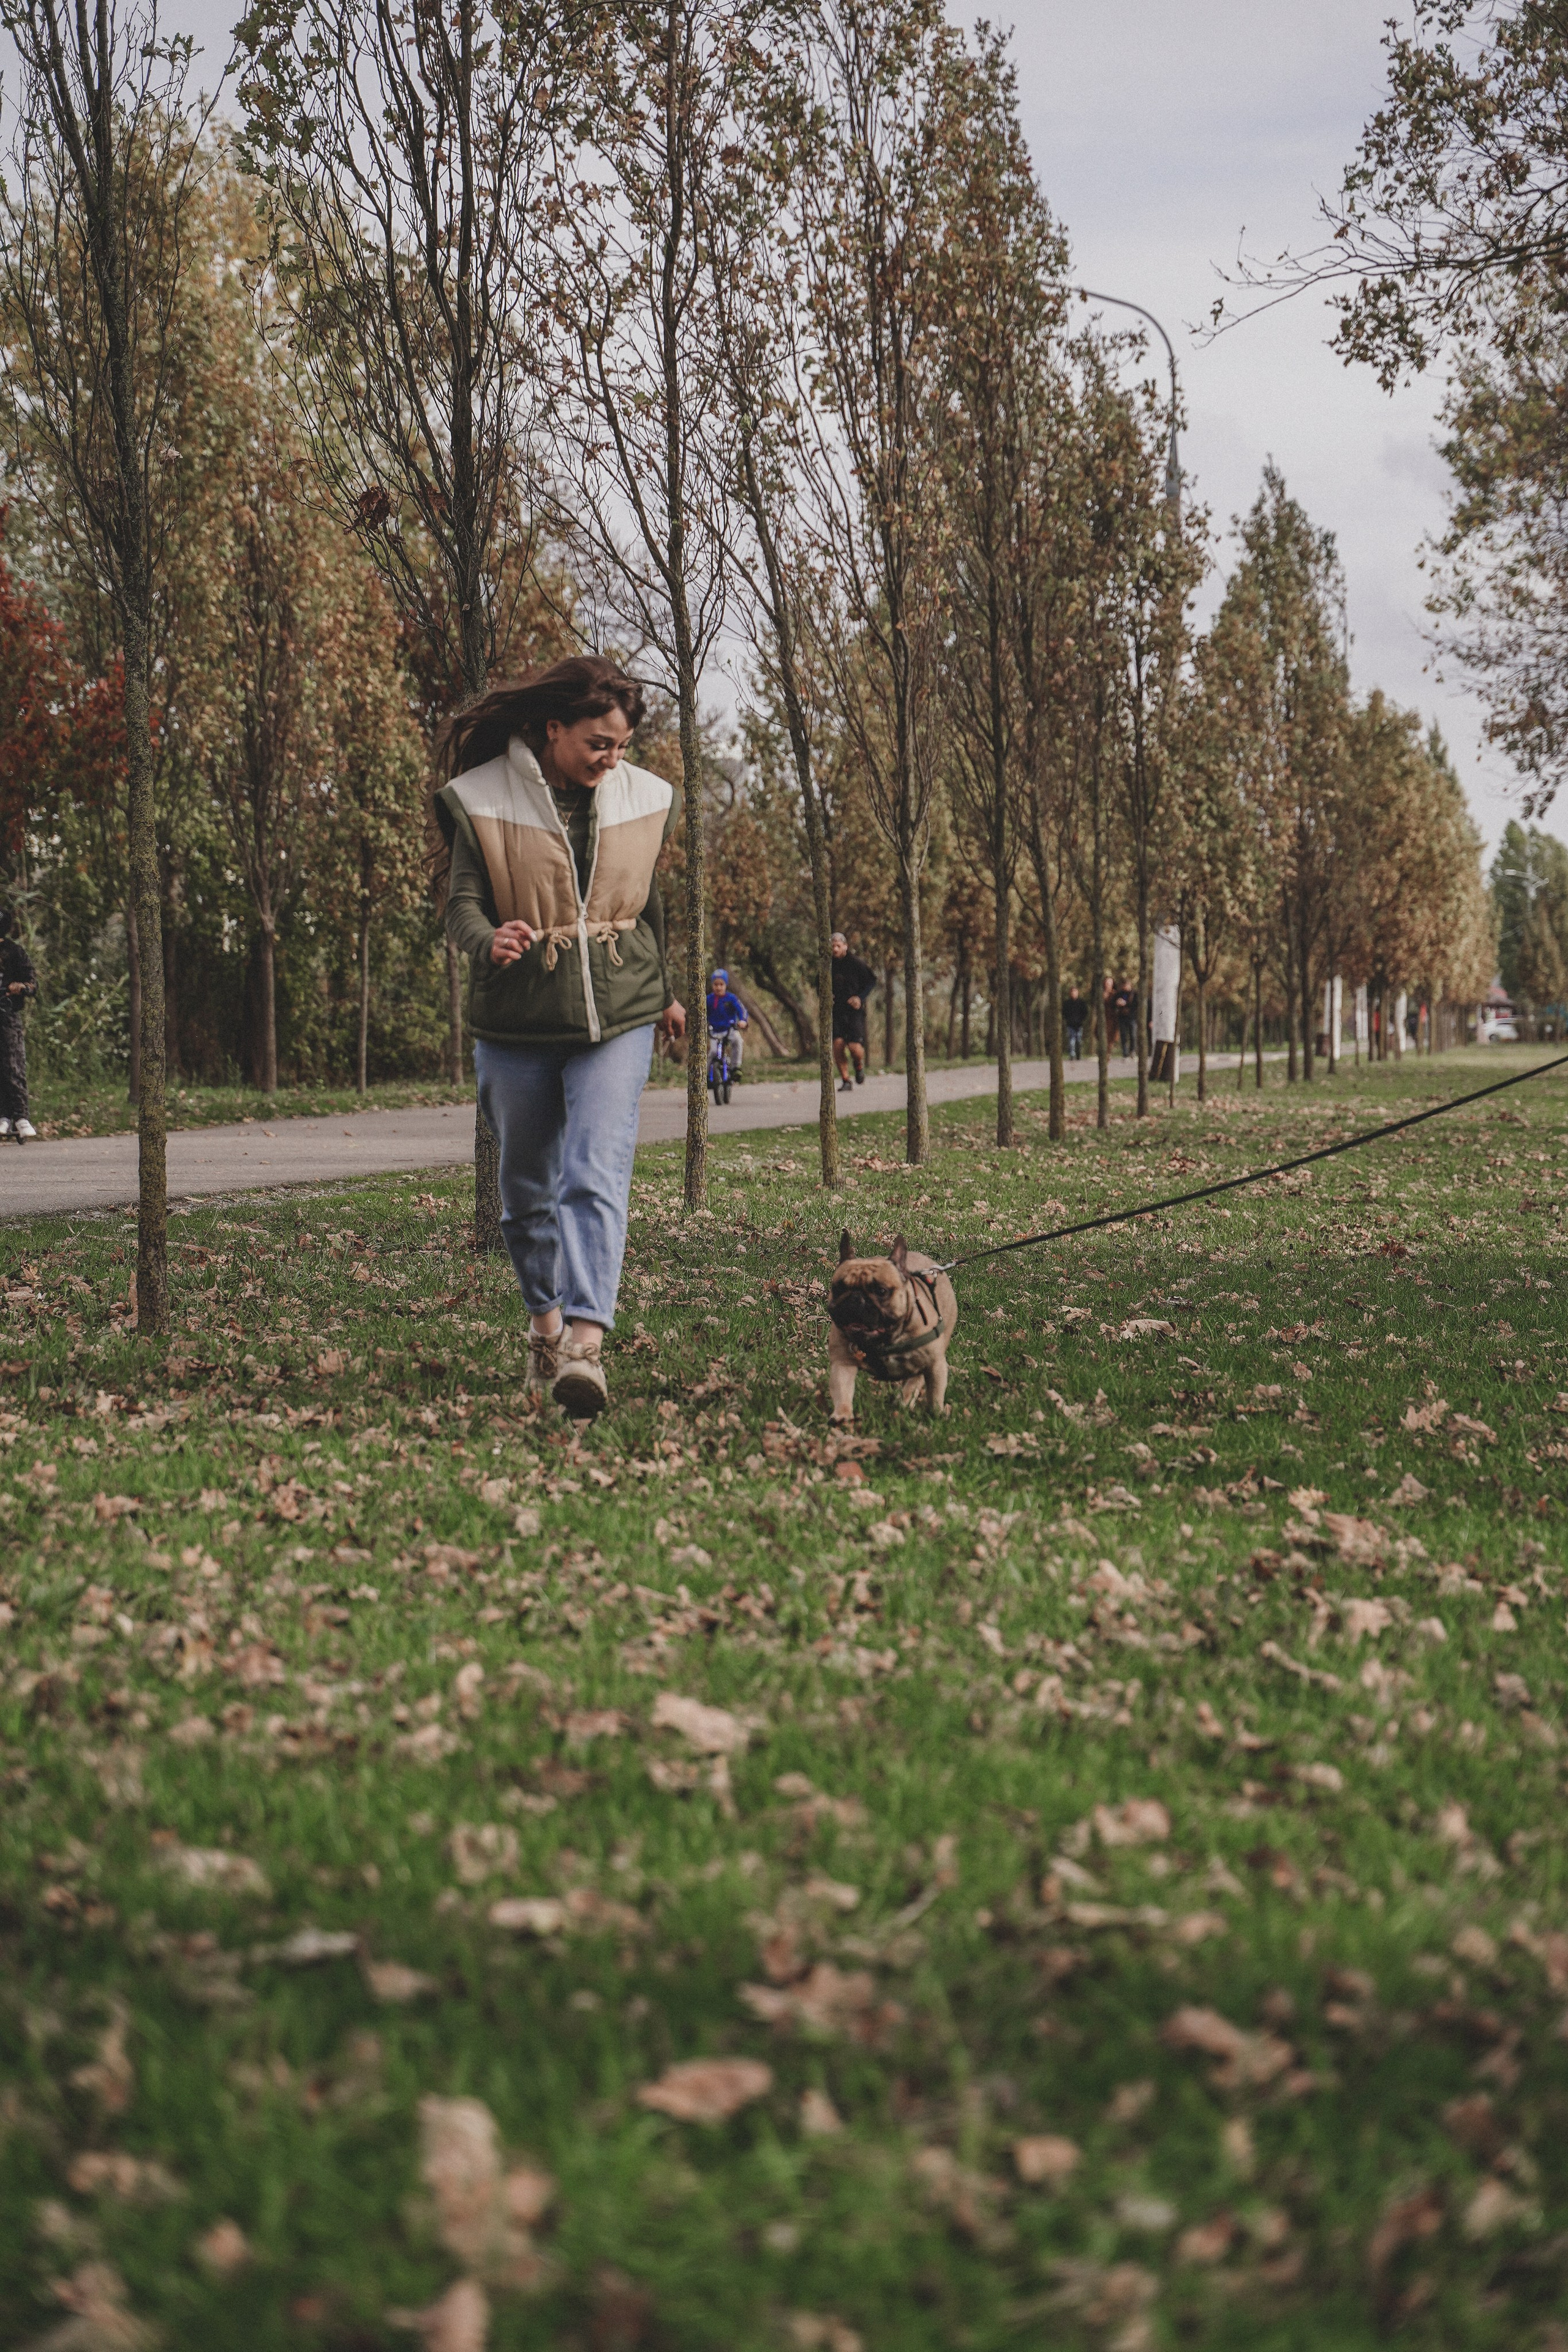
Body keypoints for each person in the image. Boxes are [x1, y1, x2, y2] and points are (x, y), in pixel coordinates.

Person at [434, 655, 685, 1420]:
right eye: (597, 744)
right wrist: (489, 940)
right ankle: (544, 1326)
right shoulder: (487, 800)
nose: (612, 759)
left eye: (620, 745)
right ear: (553, 730)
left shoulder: (638, 797)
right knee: (524, 1194)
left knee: (594, 1169)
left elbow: (649, 905)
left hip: (619, 1010)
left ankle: (583, 1346)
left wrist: (669, 992)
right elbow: (461, 906)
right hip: (517, 1019)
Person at [0, 907, 37, 1142]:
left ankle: (20, 1116)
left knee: (12, 1064)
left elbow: (32, 985)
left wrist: (20, 987)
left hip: (7, 1013)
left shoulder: (15, 952)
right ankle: (3, 1116)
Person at [831, 932, 876, 1091]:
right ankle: (845, 1080)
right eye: (833, 946)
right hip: (836, 1011)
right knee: (837, 1045)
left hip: (854, 1011)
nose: (835, 949)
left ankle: (858, 1065)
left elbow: (872, 981)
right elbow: (819, 985)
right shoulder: (828, 966)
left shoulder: (856, 964)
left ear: (845, 946)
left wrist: (860, 998)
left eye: (838, 946)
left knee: (854, 1047)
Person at [705, 968, 749, 1079]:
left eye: (721, 984)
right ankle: (707, 1076)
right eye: (716, 984)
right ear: (712, 985)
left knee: (738, 1041)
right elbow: (702, 1013)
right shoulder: (709, 1000)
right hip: (715, 1031)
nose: (718, 987)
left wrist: (743, 1020)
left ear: (726, 985)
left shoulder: (731, 998)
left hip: (730, 1029)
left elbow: (742, 1010)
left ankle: (736, 1067)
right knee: (713, 1052)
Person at [1112, 977, 1136, 1060]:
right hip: (1122, 1017)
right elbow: (1113, 1002)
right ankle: (1125, 1053)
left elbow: (1136, 1005)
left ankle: (1132, 1051)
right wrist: (1117, 1003)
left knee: (1133, 1035)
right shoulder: (1119, 994)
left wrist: (1125, 1004)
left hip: (1132, 1017)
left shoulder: (1134, 994)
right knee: (1123, 1035)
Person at [1063, 983, 1087, 1061]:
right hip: (1070, 1025)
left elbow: (1085, 1012)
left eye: (1075, 991)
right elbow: (1064, 1013)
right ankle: (1072, 1055)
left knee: (1079, 1041)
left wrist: (1081, 1020)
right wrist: (1068, 1020)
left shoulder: (1082, 1003)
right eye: (1072, 992)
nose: (1073, 993)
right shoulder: (1067, 1004)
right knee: (1071, 1041)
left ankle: (1079, 1054)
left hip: (1079, 1025)